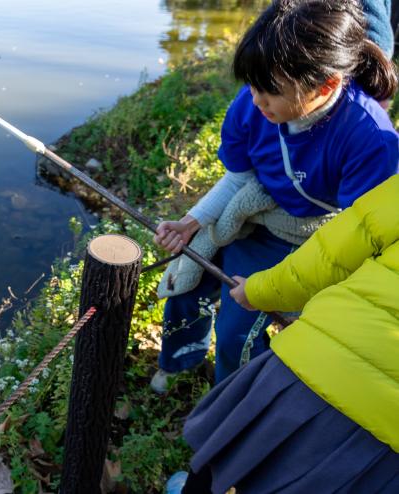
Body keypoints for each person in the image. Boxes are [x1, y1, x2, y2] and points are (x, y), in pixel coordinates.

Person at [150, 0, 399, 391]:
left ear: (327, 85)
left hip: (304, 237)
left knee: (237, 333)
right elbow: (238, 178)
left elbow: (359, 236)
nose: (255, 101)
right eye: (252, 86)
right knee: (186, 283)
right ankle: (178, 363)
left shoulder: (369, 137)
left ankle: (231, 406)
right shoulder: (250, 107)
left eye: (271, 92)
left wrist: (307, 293)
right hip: (253, 213)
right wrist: (190, 223)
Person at [167, 173, 399, 494]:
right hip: (389, 439)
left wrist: (258, 291)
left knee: (224, 461)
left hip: (318, 358)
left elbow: (329, 257)